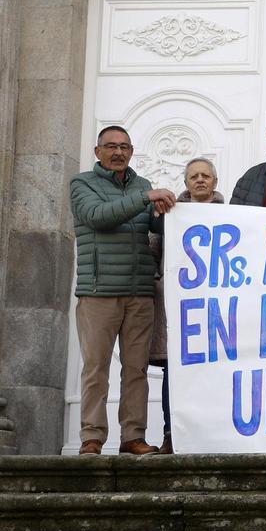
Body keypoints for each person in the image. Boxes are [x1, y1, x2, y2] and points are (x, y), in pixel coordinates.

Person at [70, 125, 176, 456]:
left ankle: (133, 436)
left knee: (136, 370)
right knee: (96, 369)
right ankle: (92, 437)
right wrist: (145, 199)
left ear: (132, 152)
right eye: (111, 146)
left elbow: (154, 227)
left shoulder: (142, 186)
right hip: (99, 292)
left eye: (125, 147)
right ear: (97, 151)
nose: (118, 152)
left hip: (139, 292)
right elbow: (98, 217)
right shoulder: (82, 184)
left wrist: (170, 214)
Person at [148, 157, 224, 455]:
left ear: (215, 182)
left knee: (214, 371)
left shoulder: (232, 214)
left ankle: (213, 434)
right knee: (174, 372)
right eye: (194, 176)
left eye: (206, 175)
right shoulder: (169, 215)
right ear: (186, 182)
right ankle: (171, 434)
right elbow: (154, 250)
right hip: (176, 307)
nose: (201, 180)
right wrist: (158, 283)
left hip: (215, 307)